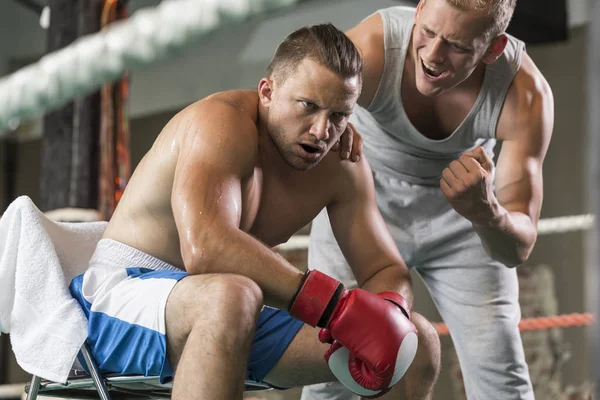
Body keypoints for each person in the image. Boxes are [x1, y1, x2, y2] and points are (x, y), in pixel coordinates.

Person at [68, 23, 441, 400]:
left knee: (417, 341)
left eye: (339, 115)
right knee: (232, 295)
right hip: (122, 299)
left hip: (234, 309)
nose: (321, 131)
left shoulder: (341, 163)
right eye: (308, 106)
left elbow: (384, 268)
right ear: (267, 91)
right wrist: (334, 307)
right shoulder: (220, 123)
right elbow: (206, 249)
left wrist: (388, 316)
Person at [302, 1, 554, 400]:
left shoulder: (523, 94)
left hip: (465, 215)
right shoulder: (371, 47)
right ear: (418, 10)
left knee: (499, 369)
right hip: (364, 202)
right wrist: (328, 133)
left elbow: (518, 247)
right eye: (429, 33)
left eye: (456, 45)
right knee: (331, 366)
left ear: (493, 48)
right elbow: (283, 108)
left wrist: (486, 213)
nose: (434, 56)